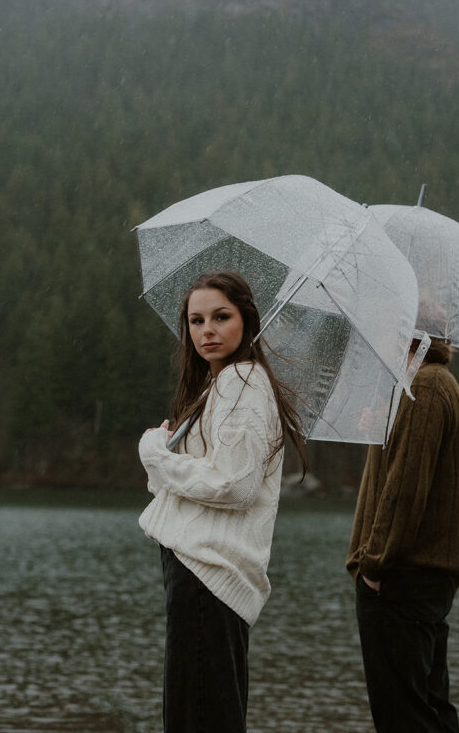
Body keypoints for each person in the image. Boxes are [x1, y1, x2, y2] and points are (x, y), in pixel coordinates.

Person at [138, 270, 306, 733]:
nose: (207, 330)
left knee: (197, 716)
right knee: (209, 712)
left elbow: (234, 485)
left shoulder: (241, 382)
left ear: (246, 320)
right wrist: (169, 456)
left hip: (206, 573)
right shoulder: (220, 386)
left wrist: (155, 456)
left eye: (221, 317)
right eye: (196, 321)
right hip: (205, 575)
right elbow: (206, 481)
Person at [346, 337, 459, 733]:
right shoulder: (424, 385)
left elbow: (406, 487)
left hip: (400, 578)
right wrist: (383, 424)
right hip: (417, 579)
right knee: (430, 711)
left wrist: (374, 565)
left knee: (404, 718)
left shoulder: (426, 386)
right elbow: (407, 467)